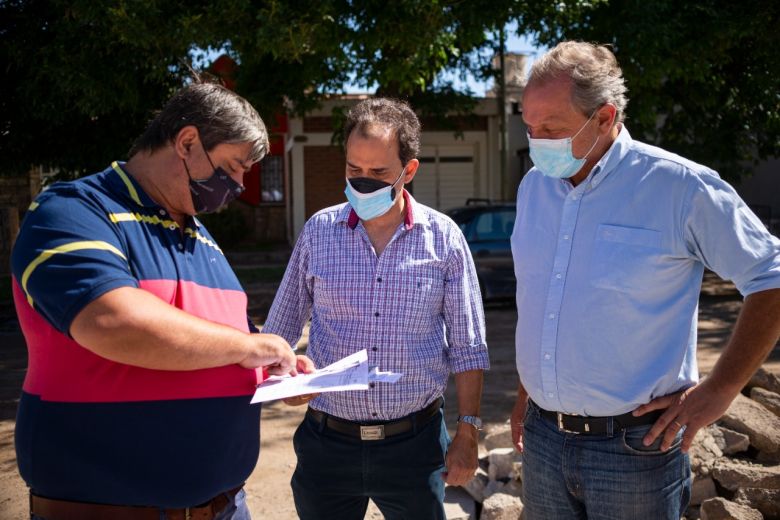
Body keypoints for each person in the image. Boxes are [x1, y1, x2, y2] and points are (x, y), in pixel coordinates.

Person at [11, 82, 312, 520]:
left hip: (224, 506)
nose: (240, 185)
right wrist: (254, 348)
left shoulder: (203, 238)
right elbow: (112, 322)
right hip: (105, 510)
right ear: (187, 142)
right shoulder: (72, 212)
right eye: (233, 166)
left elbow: (222, 338)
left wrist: (275, 370)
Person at [509, 41, 780, 519]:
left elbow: (771, 277)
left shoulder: (678, 187)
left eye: (551, 128)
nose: (537, 142)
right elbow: (543, 300)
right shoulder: (534, 188)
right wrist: (528, 394)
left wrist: (719, 390)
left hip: (635, 450)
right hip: (544, 440)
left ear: (605, 117)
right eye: (530, 127)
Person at [262, 97, 489, 520]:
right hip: (327, 445)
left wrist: (468, 432)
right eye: (354, 170)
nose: (363, 182)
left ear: (409, 170)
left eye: (379, 173)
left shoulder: (444, 239)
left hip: (415, 447)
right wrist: (288, 381)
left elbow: (468, 346)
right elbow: (277, 336)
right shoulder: (318, 233)